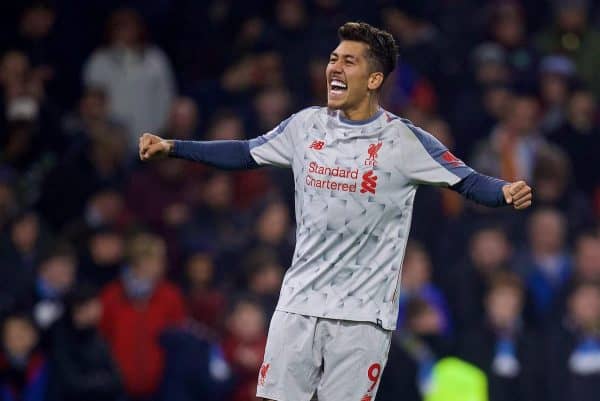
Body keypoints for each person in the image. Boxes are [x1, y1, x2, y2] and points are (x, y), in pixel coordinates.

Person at [139, 21, 533, 401]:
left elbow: (466, 179)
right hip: (298, 304)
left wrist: (505, 191)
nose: (334, 68)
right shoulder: (305, 126)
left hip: (362, 319)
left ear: (374, 79)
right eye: (333, 58)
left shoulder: (405, 140)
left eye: (349, 61)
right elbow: (244, 152)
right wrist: (174, 146)